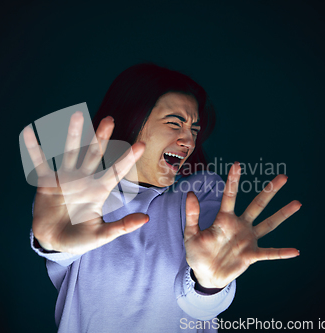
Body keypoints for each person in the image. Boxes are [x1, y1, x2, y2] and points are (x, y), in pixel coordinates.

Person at [22, 63, 301, 332]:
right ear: (132, 121)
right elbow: (61, 242)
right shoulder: (79, 193)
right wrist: (53, 244)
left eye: (194, 129)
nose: (189, 141)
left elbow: (200, 309)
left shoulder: (200, 191)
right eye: (174, 123)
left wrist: (210, 283)